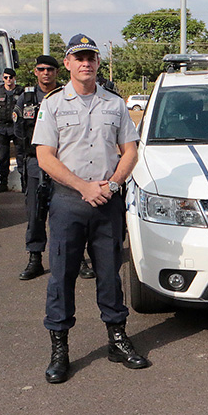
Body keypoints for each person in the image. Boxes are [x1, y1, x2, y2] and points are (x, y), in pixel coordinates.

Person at [32, 34, 149, 383]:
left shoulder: (114, 104)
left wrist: (112, 185)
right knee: (62, 276)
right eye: (78, 57)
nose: (86, 63)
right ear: (67, 64)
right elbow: (44, 156)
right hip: (69, 200)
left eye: (91, 58)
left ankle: (117, 339)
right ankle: (60, 348)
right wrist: (83, 187)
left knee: (111, 273)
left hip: (107, 200)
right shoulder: (53, 104)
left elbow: (130, 150)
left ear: (98, 63)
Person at [14, 56, 61, 281]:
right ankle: (35, 258)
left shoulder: (66, 97)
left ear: (57, 72)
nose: (46, 73)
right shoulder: (26, 98)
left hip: (62, 163)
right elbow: (19, 133)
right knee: (35, 213)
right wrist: (22, 163)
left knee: (67, 212)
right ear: (35, 72)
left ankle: (77, 257)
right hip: (34, 162)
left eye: (50, 69)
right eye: (41, 69)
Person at [0, 68, 24, 193]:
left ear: (14, 78)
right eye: (6, 77)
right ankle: (3, 182)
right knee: (3, 155)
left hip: (17, 126)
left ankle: (23, 182)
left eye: (11, 77)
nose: (8, 80)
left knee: (21, 154)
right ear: (2, 78)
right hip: (2, 127)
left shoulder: (21, 92)